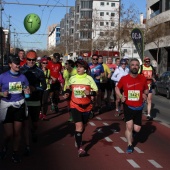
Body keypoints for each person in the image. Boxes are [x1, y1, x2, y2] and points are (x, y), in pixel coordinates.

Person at [64, 60, 98, 157]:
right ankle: (80, 148)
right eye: (77, 67)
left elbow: (96, 91)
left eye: (80, 67)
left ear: (85, 69)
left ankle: (77, 136)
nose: (78, 69)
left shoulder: (89, 79)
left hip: (87, 106)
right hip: (75, 105)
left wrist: (90, 93)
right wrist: (66, 93)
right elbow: (68, 88)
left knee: (83, 126)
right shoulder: (73, 78)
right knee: (79, 126)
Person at [0, 55, 30, 163]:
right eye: (15, 63)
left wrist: (27, 92)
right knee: (9, 134)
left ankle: (15, 153)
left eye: (18, 63)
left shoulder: (23, 77)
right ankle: (4, 147)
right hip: (7, 105)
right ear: (10, 65)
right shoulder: (2, 77)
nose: (18, 65)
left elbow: (27, 89)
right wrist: (2, 93)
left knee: (17, 133)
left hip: (20, 104)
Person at [115, 58, 149, 153]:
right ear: (129, 67)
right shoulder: (124, 78)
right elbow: (117, 88)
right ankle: (130, 145)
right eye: (133, 65)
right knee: (129, 126)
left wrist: (145, 94)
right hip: (128, 105)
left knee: (137, 129)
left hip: (139, 106)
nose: (134, 66)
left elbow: (146, 89)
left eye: (136, 65)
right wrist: (121, 96)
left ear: (139, 67)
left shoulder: (142, 78)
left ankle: (132, 133)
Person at [20, 50, 47, 155]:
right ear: (26, 59)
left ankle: (34, 131)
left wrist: (34, 88)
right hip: (24, 100)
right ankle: (27, 146)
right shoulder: (21, 70)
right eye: (29, 59)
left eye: (33, 60)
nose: (31, 62)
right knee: (25, 123)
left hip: (35, 100)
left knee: (35, 123)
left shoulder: (39, 71)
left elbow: (44, 86)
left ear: (36, 60)